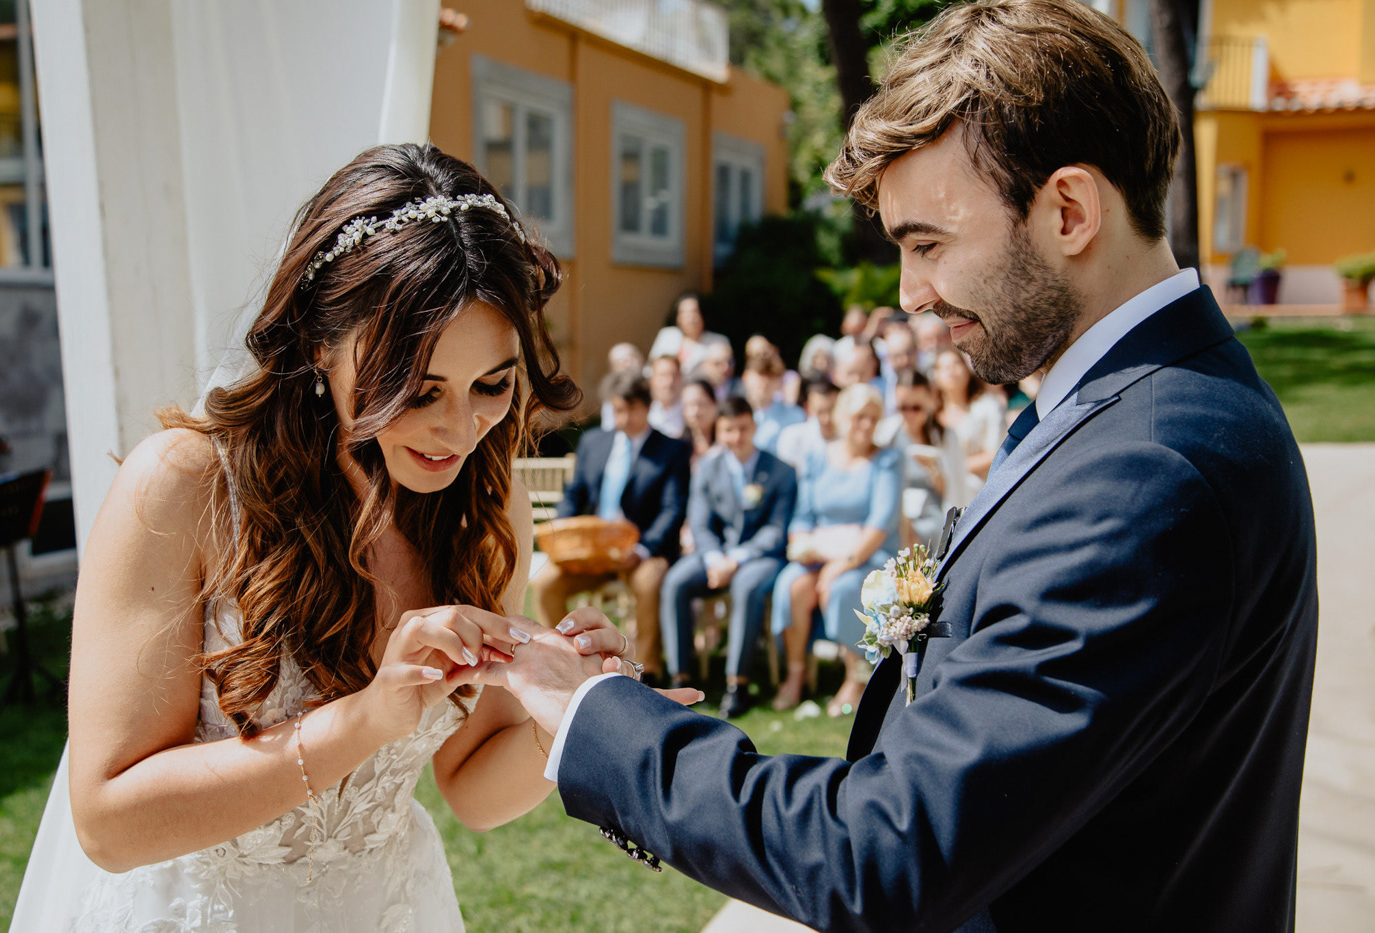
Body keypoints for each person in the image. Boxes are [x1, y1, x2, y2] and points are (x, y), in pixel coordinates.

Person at [479, 2, 1319, 930]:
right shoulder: (1142, 406)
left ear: (1070, 210)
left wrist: (596, 716)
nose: (913, 294)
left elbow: (882, 854)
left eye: (928, 244)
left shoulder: (1146, 471)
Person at [9, 145, 610, 931]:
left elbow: (471, 785)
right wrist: (363, 721)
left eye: (491, 385)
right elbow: (108, 822)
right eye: (417, 389)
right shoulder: (185, 488)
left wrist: (567, 715)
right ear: (318, 344)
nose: (461, 429)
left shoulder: (487, 510)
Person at [530, 370, 690, 681]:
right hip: (591, 551)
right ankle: (568, 662)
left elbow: (673, 510)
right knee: (546, 583)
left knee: (648, 582)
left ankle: (646, 669)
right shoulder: (593, 442)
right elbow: (574, 494)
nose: (623, 417)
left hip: (644, 551)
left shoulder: (672, 450)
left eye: (631, 409)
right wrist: (562, 531)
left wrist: (642, 550)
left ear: (647, 407)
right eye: (617, 409)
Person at [766, 383, 904, 716]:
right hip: (822, 553)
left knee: (842, 588)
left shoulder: (888, 460)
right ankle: (796, 673)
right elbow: (803, 516)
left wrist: (843, 564)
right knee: (791, 585)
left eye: (873, 418)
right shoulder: (818, 457)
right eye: (859, 417)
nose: (866, 425)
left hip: (868, 555)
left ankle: (856, 677)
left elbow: (881, 523)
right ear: (842, 417)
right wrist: (801, 545)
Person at [659, 397, 797, 718]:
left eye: (743, 428)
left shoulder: (781, 470)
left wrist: (735, 559)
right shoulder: (708, 467)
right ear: (719, 431)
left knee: (746, 586)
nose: (736, 437)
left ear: (754, 426)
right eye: (729, 430)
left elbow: (777, 529)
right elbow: (700, 523)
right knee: (675, 581)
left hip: (762, 556)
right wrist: (714, 559)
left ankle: (737, 684)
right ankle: (680, 679)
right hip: (714, 555)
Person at [875, 369, 967, 539]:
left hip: (933, 515)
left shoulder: (945, 437)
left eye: (916, 408)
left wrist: (932, 469)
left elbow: (955, 491)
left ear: (929, 401)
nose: (909, 415)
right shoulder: (887, 435)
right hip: (896, 515)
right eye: (903, 408)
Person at [934, 345, 1006, 492]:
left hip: (982, 489)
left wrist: (956, 468)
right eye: (944, 367)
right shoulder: (932, 415)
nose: (951, 371)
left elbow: (997, 453)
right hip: (942, 493)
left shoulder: (988, 407)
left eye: (956, 364)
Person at [648, 292, 731, 377]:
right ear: (678, 318)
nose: (690, 318)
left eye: (694, 312)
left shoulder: (718, 341)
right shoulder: (668, 336)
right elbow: (651, 368)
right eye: (684, 313)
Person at [740, 353, 804, 453]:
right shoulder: (733, 415)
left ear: (780, 381)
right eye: (760, 374)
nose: (765, 381)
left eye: (771, 376)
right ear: (746, 377)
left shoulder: (795, 416)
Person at [775, 375, 838, 476]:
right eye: (820, 412)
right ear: (808, 408)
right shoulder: (791, 436)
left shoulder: (850, 438)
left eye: (832, 410)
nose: (827, 418)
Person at [599, 342, 645, 431]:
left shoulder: (656, 385)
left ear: (641, 358)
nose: (627, 364)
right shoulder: (610, 398)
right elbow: (609, 428)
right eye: (620, 361)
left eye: (631, 357)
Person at [646, 354, 686, 439]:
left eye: (674, 375)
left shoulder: (692, 411)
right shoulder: (644, 414)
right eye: (663, 375)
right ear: (652, 379)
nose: (669, 382)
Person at [679, 378, 719, 463]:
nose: (695, 412)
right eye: (690, 405)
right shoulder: (676, 447)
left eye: (701, 404)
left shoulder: (726, 444)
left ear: (714, 405)